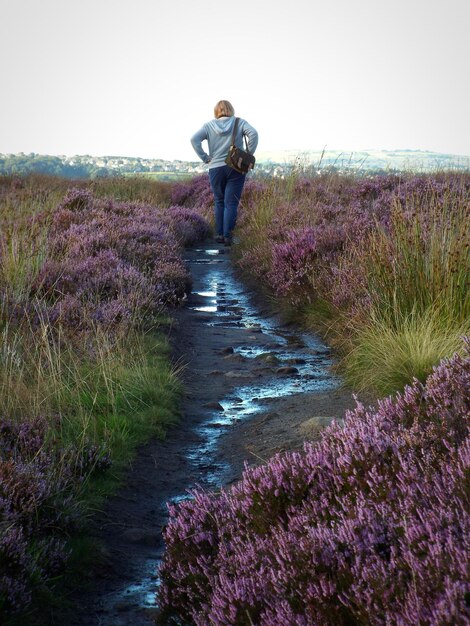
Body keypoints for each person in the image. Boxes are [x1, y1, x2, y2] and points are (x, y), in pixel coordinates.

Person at [191, 100, 258, 246]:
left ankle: (219, 235)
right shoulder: (239, 122)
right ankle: (229, 237)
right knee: (231, 203)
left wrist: (205, 157)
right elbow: (253, 133)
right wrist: (248, 153)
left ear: (216, 111)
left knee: (219, 201)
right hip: (235, 167)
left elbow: (194, 139)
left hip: (215, 167)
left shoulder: (208, 125)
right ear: (231, 109)